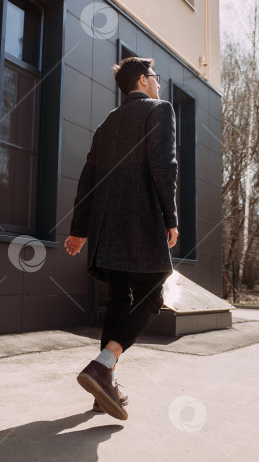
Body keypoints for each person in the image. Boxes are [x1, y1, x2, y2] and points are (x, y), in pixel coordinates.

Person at [64, 56, 178, 421]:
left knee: (119, 299)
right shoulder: (159, 110)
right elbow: (164, 166)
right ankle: (103, 365)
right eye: (156, 77)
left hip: (104, 228)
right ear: (143, 81)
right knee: (151, 298)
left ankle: (103, 392)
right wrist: (170, 217)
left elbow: (87, 179)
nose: (159, 83)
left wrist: (79, 229)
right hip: (140, 224)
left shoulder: (107, 123)